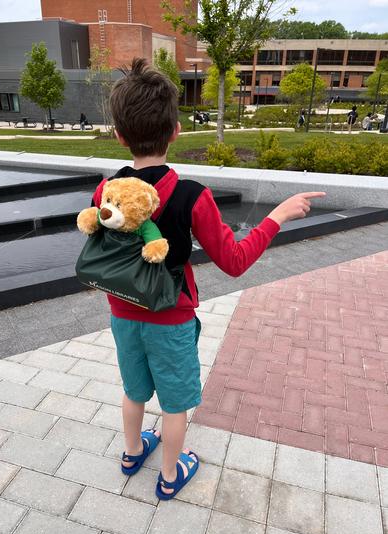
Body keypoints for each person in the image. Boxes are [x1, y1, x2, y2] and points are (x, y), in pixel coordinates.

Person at [90, 58, 325, 500]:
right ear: (176, 130)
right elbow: (233, 261)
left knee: (134, 390)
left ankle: (131, 452)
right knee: (175, 402)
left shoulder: (106, 190)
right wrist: (275, 216)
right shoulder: (191, 195)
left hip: (121, 312)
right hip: (171, 318)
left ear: (120, 136)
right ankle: (170, 474)